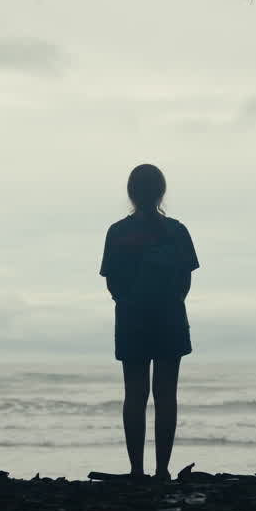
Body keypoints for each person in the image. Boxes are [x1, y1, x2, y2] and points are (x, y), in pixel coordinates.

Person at [99, 164, 199, 481]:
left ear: (131, 193)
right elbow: (185, 281)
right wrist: (168, 302)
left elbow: (112, 283)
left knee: (135, 394)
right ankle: (162, 470)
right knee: (166, 396)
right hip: (169, 318)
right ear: (161, 192)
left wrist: (131, 303)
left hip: (132, 319)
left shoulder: (118, 232)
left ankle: (136, 470)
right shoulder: (177, 231)